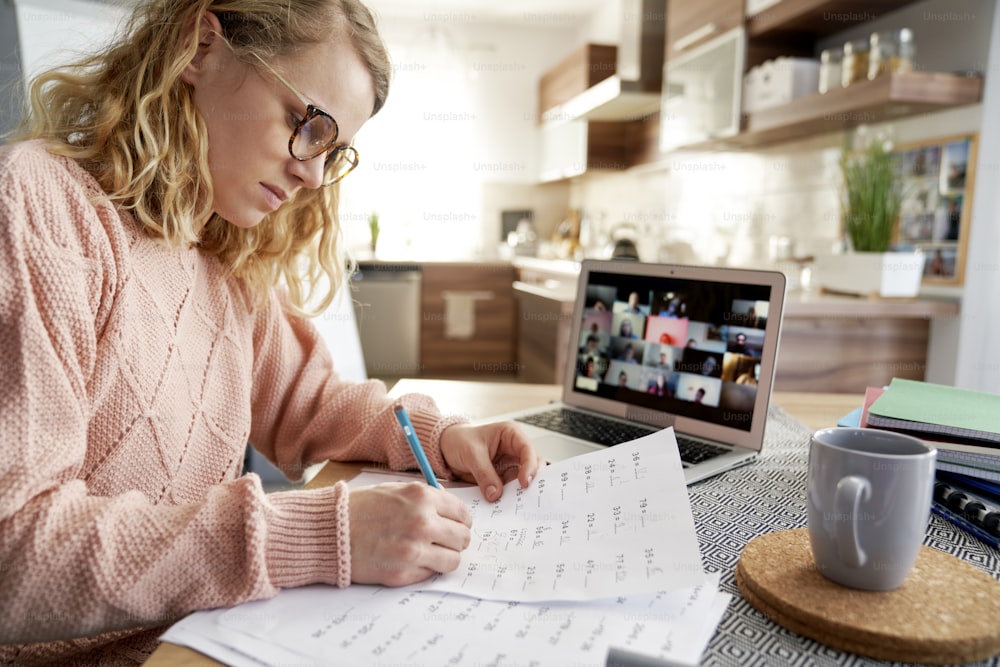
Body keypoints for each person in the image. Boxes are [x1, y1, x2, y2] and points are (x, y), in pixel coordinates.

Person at [0, 0, 544, 663]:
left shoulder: (223, 254)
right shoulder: (39, 206)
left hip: (198, 643)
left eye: (334, 151)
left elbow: (310, 405)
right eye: (306, 125)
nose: (313, 174)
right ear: (202, 49)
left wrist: (443, 435)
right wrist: (314, 533)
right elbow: (15, 547)